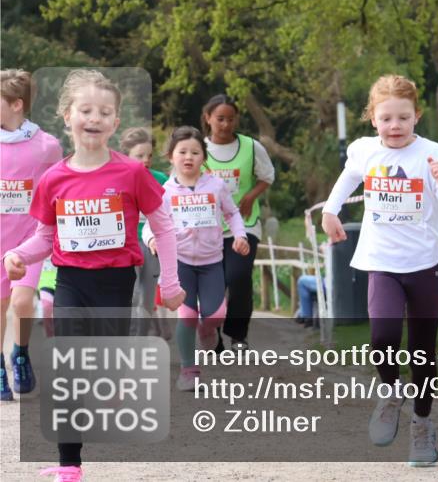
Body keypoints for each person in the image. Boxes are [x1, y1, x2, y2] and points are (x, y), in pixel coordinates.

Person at [2, 69, 184, 482]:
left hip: (116, 282)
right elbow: (44, 237)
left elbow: (164, 226)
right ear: (67, 116)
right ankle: (70, 466)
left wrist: (170, 283)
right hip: (69, 280)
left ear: (115, 122)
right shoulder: (54, 179)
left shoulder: (131, 174)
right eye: (86, 110)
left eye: (104, 112)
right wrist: (18, 254)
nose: (94, 118)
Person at [321, 74, 438, 467]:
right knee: (382, 336)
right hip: (381, 262)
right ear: (373, 119)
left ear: (417, 116)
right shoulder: (364, 150)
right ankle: (390, 392)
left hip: (424, 264)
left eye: (403, 117)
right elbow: (349, 176)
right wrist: (330, 211)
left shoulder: (433, 154)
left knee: (422, 351)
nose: (395, 126)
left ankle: (422, 423)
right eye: (386, 118)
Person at [145, 126, 248, 390]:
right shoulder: (165, 192)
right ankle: (189, 371)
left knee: (215, 315)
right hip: (180, 263)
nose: (188, 157)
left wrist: (240, 236)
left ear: (204, 157)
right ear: (171, 156)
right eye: (182, 152)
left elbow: (233, 213)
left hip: (212, 262)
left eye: (195, 152)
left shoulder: (216, 186)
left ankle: (207, 330)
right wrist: (152, 240)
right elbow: (149, 224)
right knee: (187, 316)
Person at [0, 69, 63, 401]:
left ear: (16, 105)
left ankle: (20, 353)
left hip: (30, 239)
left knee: (23, 301)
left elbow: (59, 186)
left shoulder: (47, 145)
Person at [201, 94, 274, 350]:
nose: (225, 124)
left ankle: (238, 334)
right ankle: (214, 336)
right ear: (208, 118)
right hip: (206, 227)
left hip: (244, 224)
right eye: (220, 119)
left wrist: (250, 197)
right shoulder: (198, 148)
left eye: (231, 119)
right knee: (213, 283)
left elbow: (267, 176)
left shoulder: (251, 147)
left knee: (239, 276)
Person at [119, 126, 170, 338]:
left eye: (149, 155)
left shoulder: (161, 180)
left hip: (153, 245)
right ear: (126, 156)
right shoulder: (118, 178)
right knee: (131, 295)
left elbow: (170, 213)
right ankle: (128, 341)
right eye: (139, 155)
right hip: (125, 243)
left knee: (147, 297)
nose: (146, 160)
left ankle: (139, 339)